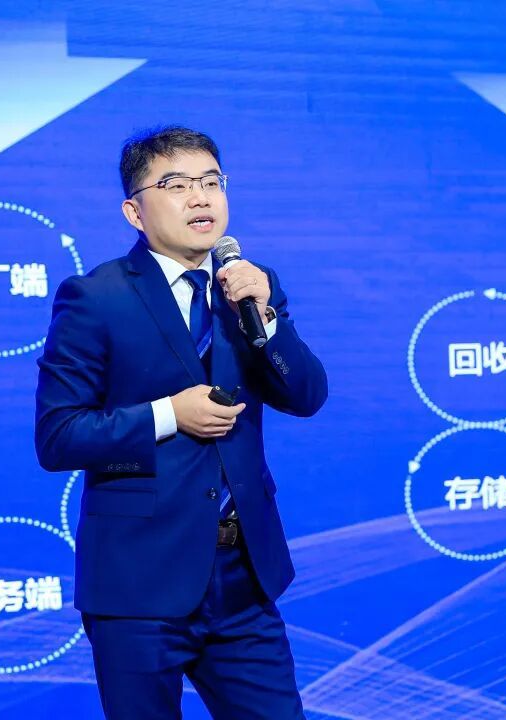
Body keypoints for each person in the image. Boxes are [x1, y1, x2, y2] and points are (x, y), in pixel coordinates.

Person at [35, 125, 327, 719]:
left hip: (244, 578)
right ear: (134, 211)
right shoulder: (96, 297)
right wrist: (170, 415)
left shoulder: (248, 286)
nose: (200, 198)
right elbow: (59, 435)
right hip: (138, 581)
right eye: (175, 185)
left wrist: (266, 317)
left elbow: (305, 395)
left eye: (211, 182)